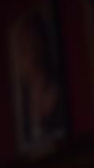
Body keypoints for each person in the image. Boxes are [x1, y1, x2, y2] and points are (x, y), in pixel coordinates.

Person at [14, 10, 66, 149]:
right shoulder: (24, 100)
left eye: (24, 49)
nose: (20, 58)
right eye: (22, 49)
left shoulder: (54, 90)